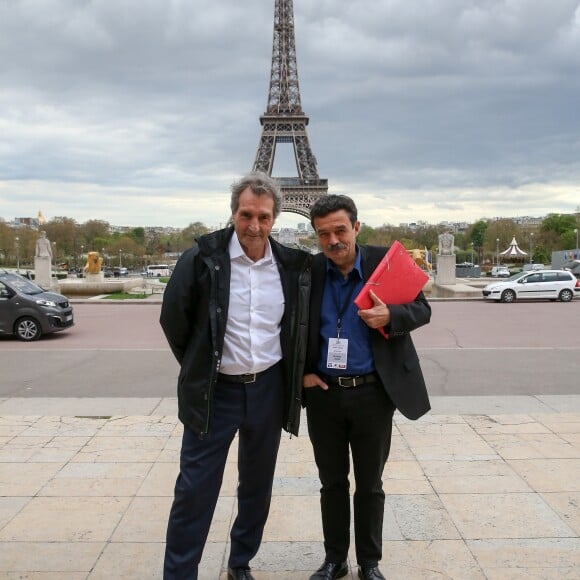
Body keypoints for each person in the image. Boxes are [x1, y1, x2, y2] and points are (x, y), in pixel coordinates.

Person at [160, 172, 310, 580]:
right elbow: (174, 320)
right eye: (246, 215)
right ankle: (179, 575)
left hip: (268, 390)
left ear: (275, 218)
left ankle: (239, 561)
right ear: (232, 213)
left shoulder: (289, 265)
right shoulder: (201, 259)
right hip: (216, 392)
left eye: (263, 217)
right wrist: (201, 367)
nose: (254, 225)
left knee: (256, 488)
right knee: (194, 491)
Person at [303, 195, 431, 580]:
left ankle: (369, 562)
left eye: (340, 230)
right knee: (331, 483)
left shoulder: (385, 263)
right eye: (323, 234)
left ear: (356, 227)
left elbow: (422, 309)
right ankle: (335, 559)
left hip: (373, 393)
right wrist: (303, 375)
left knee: (370, 484)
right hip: (324, 392)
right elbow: (290, 325)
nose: (333, 240)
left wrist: (392, 314)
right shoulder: (309, 271)